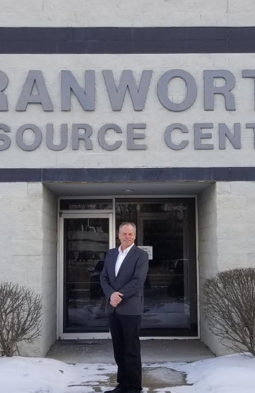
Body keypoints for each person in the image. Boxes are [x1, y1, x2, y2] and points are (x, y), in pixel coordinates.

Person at [100, 222, 149, 393]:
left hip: (130, 309)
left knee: (131, 350)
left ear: (135, 236)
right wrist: (110, 294)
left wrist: (118, 295)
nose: (127, 237)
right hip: (113, 308)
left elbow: (138, 281)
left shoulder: (140, 255)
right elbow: (103, 277)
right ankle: (122, 385)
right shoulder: (111, 254)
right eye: (124, 233)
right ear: (118, 235)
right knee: (119, 349)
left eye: (130, 234)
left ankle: (134, 387)